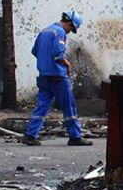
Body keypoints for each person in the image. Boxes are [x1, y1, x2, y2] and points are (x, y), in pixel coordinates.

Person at [22, 10, 93, 147]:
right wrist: (67, 63)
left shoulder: (44, 31)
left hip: (44, 76)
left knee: (42, 106)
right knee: (69, 106)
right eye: (71, 28)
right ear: (69, 23)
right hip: (58, 77)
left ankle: (30, 135)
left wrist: (45, 62)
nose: (69, 32)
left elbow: (34, 51)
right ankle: (75, 136)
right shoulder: (59, 32)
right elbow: (57, 54)